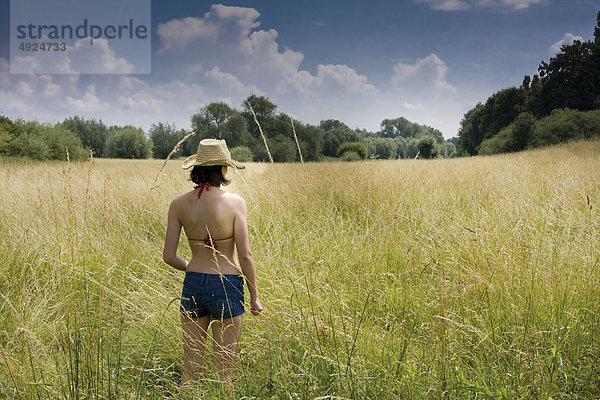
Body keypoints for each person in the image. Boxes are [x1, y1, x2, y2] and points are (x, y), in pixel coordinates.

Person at [162, 138, 263, 393]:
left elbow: (169, 256)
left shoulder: (178, 204)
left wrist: (193, 267)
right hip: (227, 285)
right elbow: (246, 255)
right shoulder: (235, 203)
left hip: (193, 282)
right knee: (224, 372)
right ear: (223, 169)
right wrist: (254, 296)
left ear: (196, 169)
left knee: (190, 368)